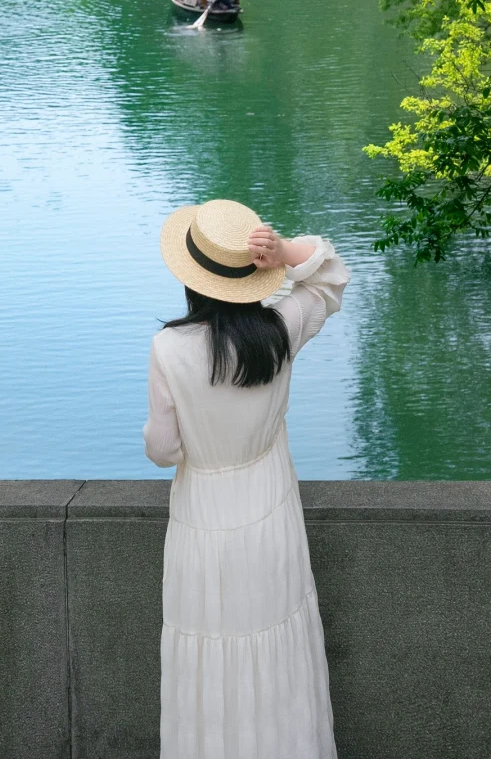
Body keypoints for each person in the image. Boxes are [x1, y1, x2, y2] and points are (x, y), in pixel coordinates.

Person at [145, 198, 349, 759]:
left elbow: (163, 451)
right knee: (279, 649)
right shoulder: (280, 330)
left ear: (192, 278)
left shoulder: (169, 348)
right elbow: (331, 276)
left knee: (206, 657)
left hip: (203, 515)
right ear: (248, 277)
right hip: (270, 512)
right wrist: (282, 253)